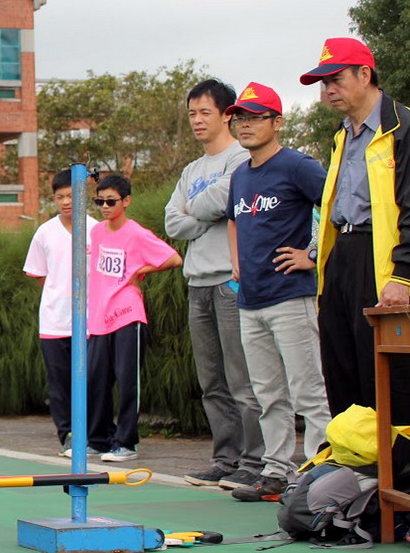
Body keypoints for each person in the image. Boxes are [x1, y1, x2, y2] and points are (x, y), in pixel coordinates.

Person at [300, 37, 410, 422]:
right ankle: (354, 466)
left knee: (383, 373)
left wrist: (402, 275)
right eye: (323, 83)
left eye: (336, 80)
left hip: (381, 261)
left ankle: (397, 470)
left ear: (365, 74)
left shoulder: (405, 127)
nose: (329, 90)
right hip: (341, 257)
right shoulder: (342, 134)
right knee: (339, 365)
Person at [224, 82, 331, 502]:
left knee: (308, 389)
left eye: (255, 117)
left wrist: (313, 254)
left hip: (292, 295)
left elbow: (337, 206)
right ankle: (276, 470)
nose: (245, 125)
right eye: (239, 118)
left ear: (277, 121)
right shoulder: (240, 175)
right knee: (268, 393)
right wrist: (237, 261)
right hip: (251, 300)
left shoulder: (297, 166)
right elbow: (234, 220)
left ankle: (319, 470)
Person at [164, 80, 264, 491]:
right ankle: (225, 458)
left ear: (227, 114)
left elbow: (217, 203)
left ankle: (255, 462)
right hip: (197, 282)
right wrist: (206, 213)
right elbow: (173, 223)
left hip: (230, 281)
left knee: (243, 379)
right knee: (211, 382)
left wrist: (199, 211)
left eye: (205, 112)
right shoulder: (192, 170)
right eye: (192, 114)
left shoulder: (241, 159)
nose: (197, 121)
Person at [86, 173, 182, 462]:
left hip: (128, 314)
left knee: (127, 380)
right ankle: (99, 438)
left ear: (126, 201)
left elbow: (173, 259)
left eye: (111, 201)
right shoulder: (97, 232)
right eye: (99, 201)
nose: (105, 206)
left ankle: (125, 442)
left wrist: (138, 271)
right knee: (96, 379)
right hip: (100, 316)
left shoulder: (136, 233)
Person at [23, 168, 98, 456]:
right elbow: (40, 274)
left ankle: (94, 435)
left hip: (92, 321)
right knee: (59, 384)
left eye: (71, 196)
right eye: (60, 197)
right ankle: (67, 435)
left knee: (93, 380)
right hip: (54, 320)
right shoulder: (45, 232)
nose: (66, 202)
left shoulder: (96, 229)